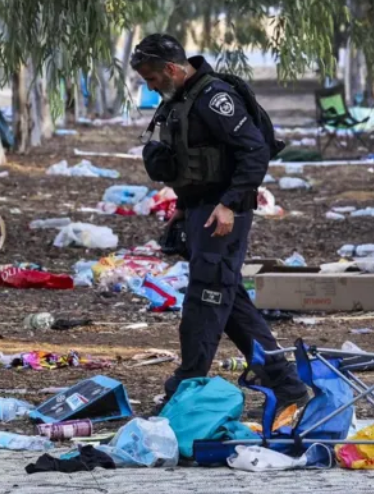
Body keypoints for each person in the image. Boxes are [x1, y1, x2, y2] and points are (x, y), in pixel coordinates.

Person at [131, 33, 309, 408]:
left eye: (152, 78)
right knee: (229, 300)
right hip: (200, 210)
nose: (150, 86)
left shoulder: (215, 98)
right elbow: (188, 159)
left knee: (206, 298)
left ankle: (188, 383)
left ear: (172, 68)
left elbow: (254, 151)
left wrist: (229, 204)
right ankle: (287, 385)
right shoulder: (179, 99)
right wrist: (183, 205)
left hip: (223, 214)